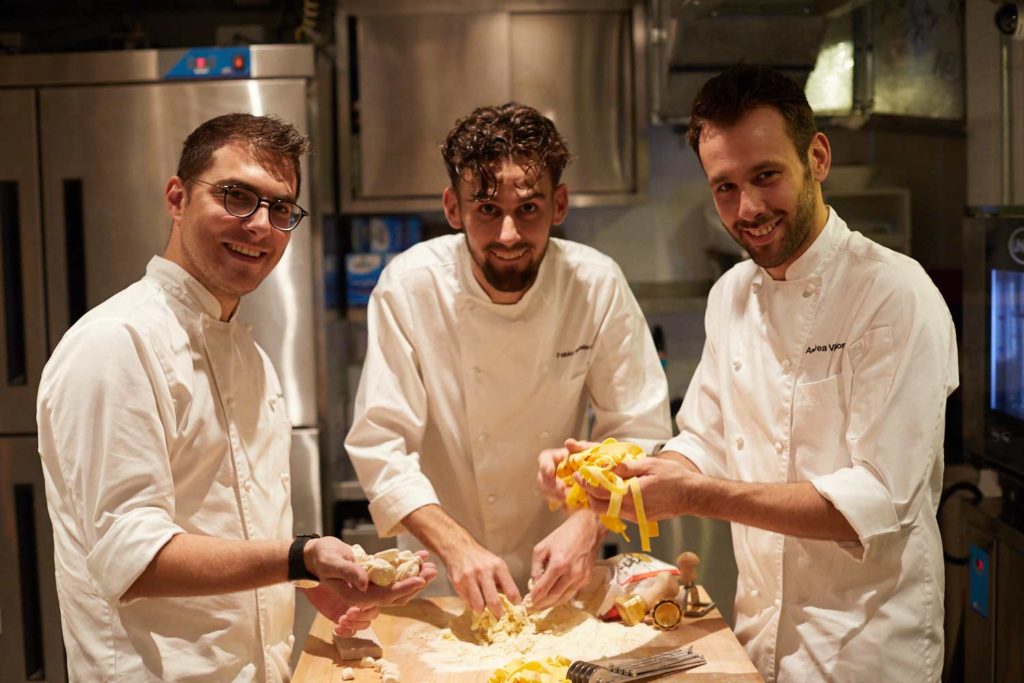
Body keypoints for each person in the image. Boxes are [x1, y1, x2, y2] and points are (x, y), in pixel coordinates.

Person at [539, 65, 959, 682]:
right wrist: (618, 477)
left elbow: (875, 501)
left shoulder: (893, 294)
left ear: (817, 157)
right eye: (725, 187)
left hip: (864, 649)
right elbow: (703, 441)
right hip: (758, 637)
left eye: (766, 175)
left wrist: (694, 496)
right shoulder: (731, 293)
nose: (749, 208)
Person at [36, 113, 436, 682]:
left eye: (280, 208)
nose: (261, 226)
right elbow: (134, 559)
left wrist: (313, 582)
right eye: (237, 196)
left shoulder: (252, 358)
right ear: (177, 199)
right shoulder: (117, 343)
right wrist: (298, 556)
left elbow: (233, 529)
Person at [345, 102, 672, 617]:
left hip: (563, 568)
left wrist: (588, 523)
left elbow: (639, 426)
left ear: (559, 204)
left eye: (529, 209)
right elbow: (381, 445)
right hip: (443, 578)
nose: (509, 235)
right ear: (453, 209)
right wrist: (456, 547)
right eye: (486, 210)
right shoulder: (409, 287)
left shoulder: (595, 284)